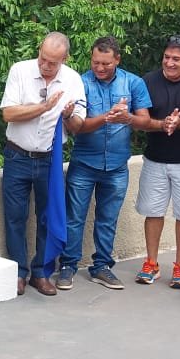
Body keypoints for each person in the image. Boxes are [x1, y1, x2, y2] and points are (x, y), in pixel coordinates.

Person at [56, 36, 150, 291]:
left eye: (106, 64)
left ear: (117, 60)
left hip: (118, 166)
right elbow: (76, 127)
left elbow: (146, 121)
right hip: (84, 164)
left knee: (108, 218)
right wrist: (107, 118)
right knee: (73, 218)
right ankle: (68, 265)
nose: (99, 68)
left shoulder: (133, 83)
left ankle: (102, 267)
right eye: (96, 62)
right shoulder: (80, 83)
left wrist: (127, 117)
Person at [0, 32, 86, 296]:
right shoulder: (20, 71)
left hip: (49, 159)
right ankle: (18, 272)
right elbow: (8, 113)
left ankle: (41, 272)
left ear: (64, 58)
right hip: (17, 156)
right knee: (15, 217)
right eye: (43, 58)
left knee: (47, 218)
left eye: (52, 62)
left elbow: (79, 126)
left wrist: (69, 115)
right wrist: (44, 107)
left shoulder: (72, 79)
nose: (45, 65)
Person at [134, 35, 180, 289]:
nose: (169, 63)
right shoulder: (148, 80)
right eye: (167, 57)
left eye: (176, 59)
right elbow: (140, 120)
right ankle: (151, 263)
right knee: (152, 212)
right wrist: (162, 124)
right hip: (155, 159)